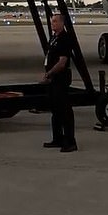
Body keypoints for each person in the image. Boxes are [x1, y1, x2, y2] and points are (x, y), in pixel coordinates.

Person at [42, 13, 77, 153]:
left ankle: (70, 141)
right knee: (55, 110)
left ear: (62, 23)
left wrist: (50, 73)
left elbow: (62, 62)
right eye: (52, 21)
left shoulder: (64, 38)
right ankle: (57, 138)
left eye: (55, 21)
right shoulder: (54, 38)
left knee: (64, 111)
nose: (52, 24)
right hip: (53, 78)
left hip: (60, 77)